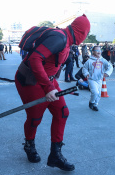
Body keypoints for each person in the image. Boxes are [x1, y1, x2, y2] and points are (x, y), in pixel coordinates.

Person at [15, 14, 90, 171]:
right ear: (81, 31)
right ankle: (29, 145)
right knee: (35, 118)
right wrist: (48, 88)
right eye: (86, 33)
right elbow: (35, 59)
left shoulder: (67, 40)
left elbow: (52, 62)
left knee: (62, 112)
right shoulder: (60, 38)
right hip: (31, 80)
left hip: (46, 79)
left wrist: (53, 82)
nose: (86, 36)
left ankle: (55, 155)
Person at [82, 46, 113, 111]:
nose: (99, 52)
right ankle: (92, 102)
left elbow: (110, 66)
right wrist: (86, 74)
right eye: (97, 50)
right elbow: (84, 68)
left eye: (100, 50)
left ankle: (95, 105)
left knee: (99, 93)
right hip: (91, 79)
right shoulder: (89, 61)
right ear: (93, 52)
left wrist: (107, 73)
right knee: (95, 92)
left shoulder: (103, 60)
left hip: (99, 79)